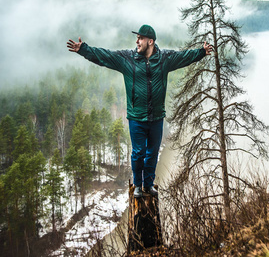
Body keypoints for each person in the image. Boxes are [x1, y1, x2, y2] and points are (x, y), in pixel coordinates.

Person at [67, 24, 213, 198]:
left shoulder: (164, 59)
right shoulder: (127, 59)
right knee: (138, 153)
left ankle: (148, 184)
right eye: (137, 38)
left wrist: (202, 52)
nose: (137, 41)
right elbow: (104, 56)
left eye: (141, 38)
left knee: (152, 153)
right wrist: (83, 49)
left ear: (150, 41)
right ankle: (137, 185)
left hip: (157, 117)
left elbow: (184, 57)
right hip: (137, 118)